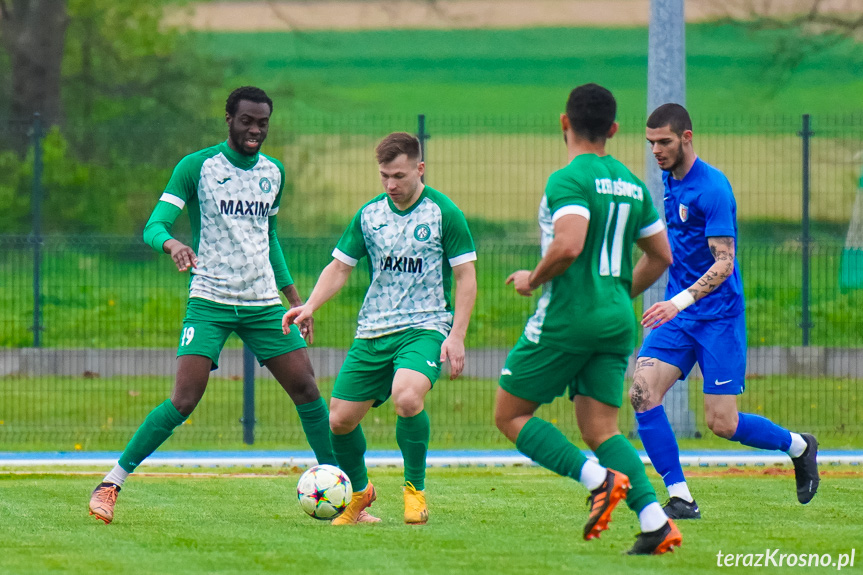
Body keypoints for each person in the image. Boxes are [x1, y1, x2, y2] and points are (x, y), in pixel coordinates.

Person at [88, 86, 337, 524]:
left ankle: (346, 494)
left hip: (262, 303)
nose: (255, 130)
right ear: (228, 118)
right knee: (184, 400)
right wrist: (172, 244)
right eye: (247, 121)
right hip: (211, 299)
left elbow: (269, 238)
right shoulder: (198, 167)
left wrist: (295, 299)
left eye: (262, 122)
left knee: (308, 390)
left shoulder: (274, 172)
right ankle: (111, 483)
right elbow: (155, 224)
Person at [494, 83, 682, 555]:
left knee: (510, 413)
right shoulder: (631, 184)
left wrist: (532, 280)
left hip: (568, 318)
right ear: (614, 130)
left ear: (565, 122)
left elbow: (570, 243)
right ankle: (656, 522)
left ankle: (598, 481)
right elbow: (661, 255)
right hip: (617, 320)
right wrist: (618, 293)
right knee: (602, 429)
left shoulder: (568, 179)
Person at [632, 103, 820, 520]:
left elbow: (724, 263)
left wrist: (676, 301)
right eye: (650, 143)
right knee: (642, 392)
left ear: (687, 137)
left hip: (718, 317)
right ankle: (680, 497)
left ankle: (800, 446)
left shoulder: (713, 188)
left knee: (722, 423)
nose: (656, 151)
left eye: (664, 142)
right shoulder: (668, 182)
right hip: (679, 318)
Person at [283, 132, 477, 526]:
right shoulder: (370, 214)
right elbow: (339, 267)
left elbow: (466, 276)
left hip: (425, 326)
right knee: (338, 421)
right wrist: (310, 306)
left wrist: (456, 335)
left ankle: (414, 491)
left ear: (420, 169)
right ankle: (360, 494)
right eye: (384, 176)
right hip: (373, 331)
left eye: (400, 176)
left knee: (406, 397)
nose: (391, 185)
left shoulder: (443, 212)